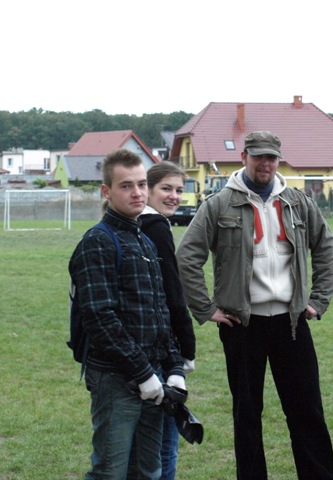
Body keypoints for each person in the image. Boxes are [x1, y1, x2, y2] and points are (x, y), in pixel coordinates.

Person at [176, 131, 333, 480]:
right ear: (245, 157)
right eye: (258, 156)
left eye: (271, 158)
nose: (265, 164)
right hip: (242, 325)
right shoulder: (219, 204)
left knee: (307, 411)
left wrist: (318, 299)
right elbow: (187, 257)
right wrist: (206, 309)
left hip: (291, 323)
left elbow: (325, 246)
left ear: (279, 160)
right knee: (247, 414)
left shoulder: (298, 202)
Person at [69, 149, 186, 479]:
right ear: (106, 191)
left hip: (154, 377)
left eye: (141, 184)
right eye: (126, 186)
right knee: (111, 471)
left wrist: (174, 366)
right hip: (115, 379)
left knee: (148, 470)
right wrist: (143, 373)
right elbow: (100, 318)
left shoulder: (145, 241)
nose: (137, 192)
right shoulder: (97, 242)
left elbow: (159, 312)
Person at [140, 161, 196, 480]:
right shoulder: (157, 227)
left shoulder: (133, 224)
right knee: (164, 442)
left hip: (141, 344)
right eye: (166, 188)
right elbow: (172, 291)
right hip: (161, 347)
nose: (174, 196)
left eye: (179, 190)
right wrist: (187, 347)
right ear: (147, 190)